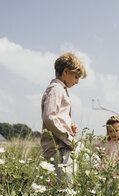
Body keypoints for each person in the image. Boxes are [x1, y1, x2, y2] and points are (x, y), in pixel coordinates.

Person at [40, 52, 87, 184]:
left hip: (62, 144)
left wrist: (68, 127)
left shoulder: (60, 89)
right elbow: (49, 117)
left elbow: (56, 117)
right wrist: (67, 136)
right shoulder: (56, 89)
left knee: (67, 184)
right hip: (60, 147)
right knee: (66, 189)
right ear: (66, 71)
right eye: (76, 77)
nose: (77, 82)